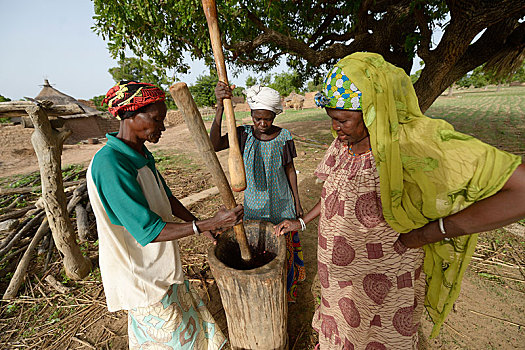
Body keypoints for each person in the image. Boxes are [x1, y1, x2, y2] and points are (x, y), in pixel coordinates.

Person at [274, 52, 525, 349]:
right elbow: (333, 193)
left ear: (372, 111)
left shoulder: (409, 144)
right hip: (339, 281)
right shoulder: (344, 143)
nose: (335, 128)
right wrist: (302, 220)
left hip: (386, 280)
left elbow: (521, 188)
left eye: (342, 119)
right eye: (332, 119)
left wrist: (427, 234)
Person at [86, 81, 244, 350]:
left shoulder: (139, 153)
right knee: (168, 338)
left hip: (159, 268)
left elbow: (166, 197)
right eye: (156, 119)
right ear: (130, 116)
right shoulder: (110, 164)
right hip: (141, 277)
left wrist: (199, 225)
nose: (162, 126)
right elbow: (149, 231)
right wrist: (210, 223)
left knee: (183, 331)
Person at [210, 83, 305, 302]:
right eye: (257, 118)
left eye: (268, 118)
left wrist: (297, 203)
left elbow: (290, 170)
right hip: (254, 206)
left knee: (284, 249)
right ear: (251, 114)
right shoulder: (242, 135)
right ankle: (264, 293)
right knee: (260, 248)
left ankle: (286, 290)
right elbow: (214, 144)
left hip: (283, 203)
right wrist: (219, 108)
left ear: (275, 115)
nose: (262, 123)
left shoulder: (284, 137)